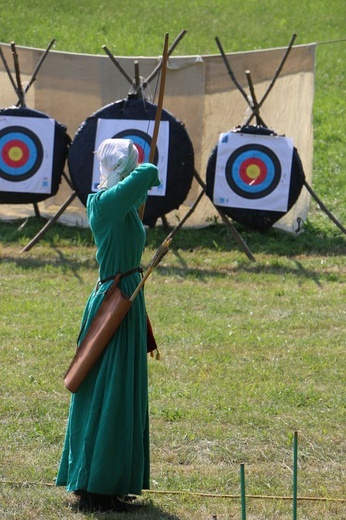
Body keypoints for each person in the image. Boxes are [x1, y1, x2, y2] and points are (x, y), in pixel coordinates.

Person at [56, 138, 160, 512]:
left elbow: (141, 185)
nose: (137, 168)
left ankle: (105, 482)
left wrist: (142, 170)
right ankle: (95, 486)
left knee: (118, 389)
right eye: (130, 163)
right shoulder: (104, 202)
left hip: (127, 296)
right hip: (115, 300)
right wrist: (146, 164)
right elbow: (148, 174)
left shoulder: (120, 204)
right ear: (122, 168)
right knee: (109, 390)